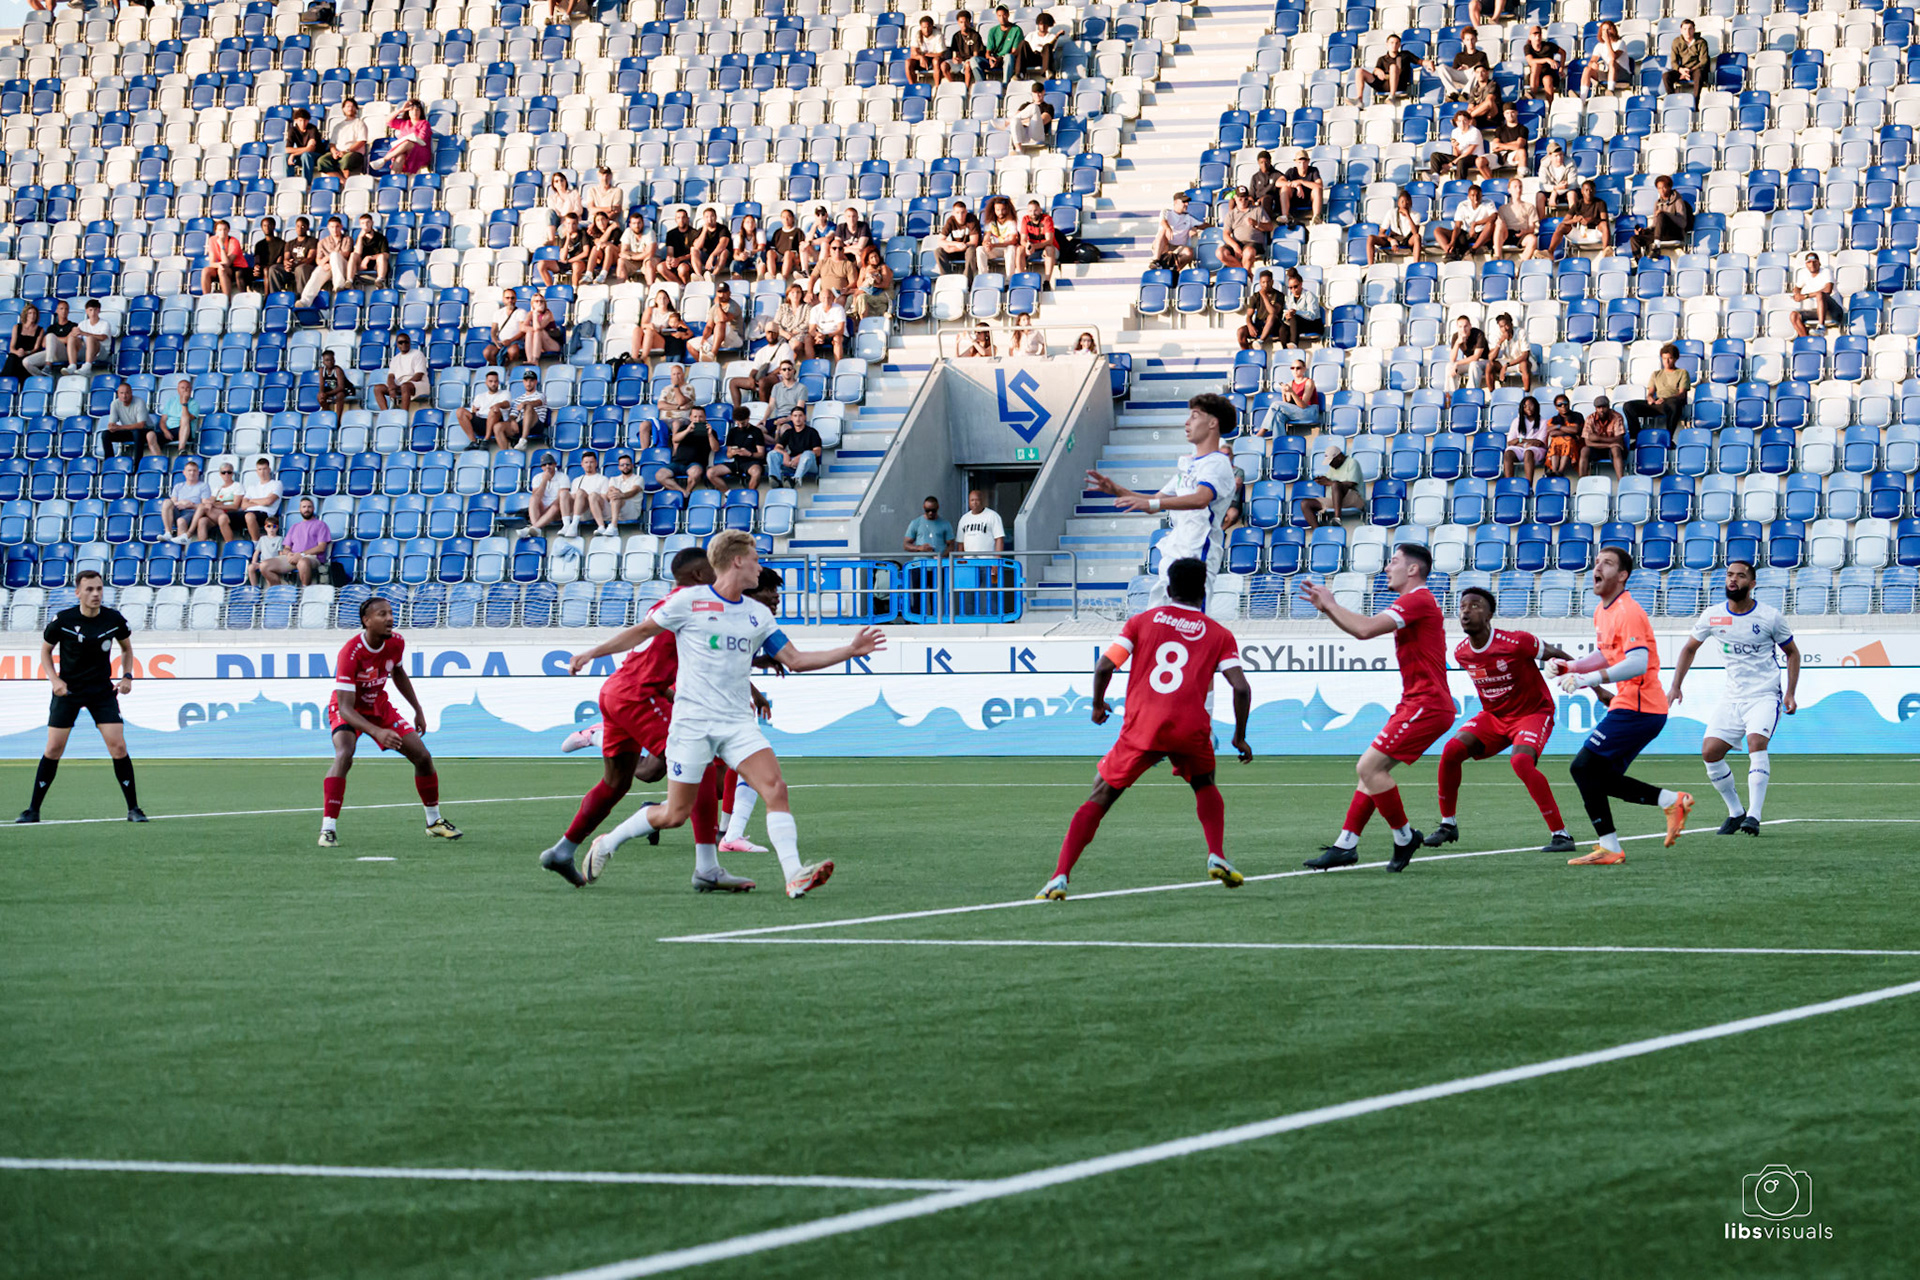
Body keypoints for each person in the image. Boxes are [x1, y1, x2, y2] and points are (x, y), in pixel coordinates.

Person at [550, 531, 882, 897]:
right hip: (692, 725)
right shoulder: (688, 601)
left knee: (775, 788)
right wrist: (588, 654)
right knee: (675, 814)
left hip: (737, 724)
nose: (760, 566)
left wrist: (850, 650)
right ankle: (609, 842)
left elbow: (796, 660)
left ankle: (794, 874)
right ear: (737, 560)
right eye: (756, 558)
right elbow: (639, 633)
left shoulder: (757, 615)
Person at [1037, 556, 1255, 900]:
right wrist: (1240, 736)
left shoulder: (1142, 621)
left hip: (1144, 725)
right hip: (1190, 727)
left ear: (1168, 590)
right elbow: (1241, 688)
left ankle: (1059, 876)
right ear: (1203, 593)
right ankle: (1217, 854)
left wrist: (1097, 704)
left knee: (1101, 794)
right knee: (1204, 783)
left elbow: (1104, 666)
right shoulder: (1220, 634)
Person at [1302, 544, 1453, 871]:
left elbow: (1365, 630)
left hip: (1426, 703)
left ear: (1413, 570)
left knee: (1368, 768)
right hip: (1417, 701)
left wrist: (1331, 604)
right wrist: (1329, 608)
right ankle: (1346, 844)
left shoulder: (1418, 599)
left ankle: (1404, 837)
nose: (1387, 567)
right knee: (1371, 775)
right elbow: (1364, 629)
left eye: (1394, 561)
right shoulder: (1415, 601)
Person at [1546, 546, 1692, 864]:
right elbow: (1607, 654)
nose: (1597, 567)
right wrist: (1571, 667)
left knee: (1582, 767)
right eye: (1596, 561)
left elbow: (1638, 662)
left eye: (1607, 563)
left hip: (1641, 707)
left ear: (1622, 576)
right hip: (1632, 706)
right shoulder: (1603, 611)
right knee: (1600, 778)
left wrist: (1588, 680)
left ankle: (1611, 847)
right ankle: (1671, 801)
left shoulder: (1629, 611)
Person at [1426, 587, 1577, 851]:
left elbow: (1557, 654)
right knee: (1451, 750)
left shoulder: (1517, 642)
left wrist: (1594, 687)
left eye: (1475, 605)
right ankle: (1448, 824)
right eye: (1463, 606)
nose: (1466, 611)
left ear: (1489, 614)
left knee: (1520, 761)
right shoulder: (1461, 653)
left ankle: (1561, 835)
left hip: (1533, 713)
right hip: (1495, 717)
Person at [1667, 560, 1802, 837]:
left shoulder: (1769, 617)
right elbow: (1689, 649)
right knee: (1710, 752)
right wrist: (1675, 686)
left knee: (1756, 743)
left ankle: (1754, 815)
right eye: (1729, 575)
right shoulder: (1713, 616)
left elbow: (1793, 654)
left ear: (1752, 584)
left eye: (1740, 576)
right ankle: (1736, 812)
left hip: (1764, 694)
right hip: (1732, 697)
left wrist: (1789, 693)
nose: (1733, 580)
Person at [319, 596, 461, 847]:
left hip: (379, 707)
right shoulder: (350, 653)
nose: (390, 619)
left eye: (391, 613)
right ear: (366, 621)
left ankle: (434, 822)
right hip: (348, 708)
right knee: (345, 753)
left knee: (423, 757)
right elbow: (345, 707)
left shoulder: (396, 642)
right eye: (382, 614)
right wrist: (377, 732)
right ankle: (328, 828)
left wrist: (417, 709)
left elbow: (398, 672)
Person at [1085, 394, 1238, 607]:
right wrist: (1117, 490)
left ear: (1213, 423)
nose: (1187, 422)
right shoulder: (1188, 465)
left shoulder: (1217, 462)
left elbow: (1201, 499)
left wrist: (1152, 504)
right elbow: (1155, 500)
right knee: (1159, 620)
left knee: (1188, 623)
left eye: (1195, 416)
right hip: (1176, 551)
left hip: (1197, 554)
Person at [17, 571, 144, 824]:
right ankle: (33, 810)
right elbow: (45, 652)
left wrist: (127, 676)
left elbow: (126, 648)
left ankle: (134, 809)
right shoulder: (63, 620)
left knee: (118, 746)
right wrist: (55, 680)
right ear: (78, 593)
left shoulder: (113, 619)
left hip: (101, 692)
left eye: (99, 589)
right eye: (89, 589)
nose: (95, 594)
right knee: (54, 748)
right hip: (69, 691)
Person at [1624, 343, 1691, 442]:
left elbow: (1682, 394)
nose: (1667, 361)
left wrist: (1665, 399)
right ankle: (1636, 438)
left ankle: (1669, 438)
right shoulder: (1656, 374)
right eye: (1664, 358)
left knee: (1674, 403)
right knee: (1628, 406)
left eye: (1670, 358)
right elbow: (1650, 392)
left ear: (1676, 359)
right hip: (1658, 403)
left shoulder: (1682, 372)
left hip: (1672, 403)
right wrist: (1650, 398)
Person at [259, 495, 331, 584]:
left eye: (309, 507)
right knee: (264, 565)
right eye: (304, 507)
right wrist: (289, 554)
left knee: (303, 562)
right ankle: (278, 591)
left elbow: (321, 547)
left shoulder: (321, 525)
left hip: (311, 557)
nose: (306, 509)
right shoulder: (294, 527)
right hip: (293, 557)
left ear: (313, 509)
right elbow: (286, 548)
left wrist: (301, 554)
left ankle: (305, 592)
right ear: (300, 509)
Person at [657, 405, 718, 496]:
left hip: (696, 464)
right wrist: (688, 430)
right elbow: (675, 439)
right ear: (690, 417)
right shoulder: (684, 428)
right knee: (660, 475)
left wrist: (709, 434)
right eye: (695, 417)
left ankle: (688, 492)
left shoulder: (712, 432)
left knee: (695, 473)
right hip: (678, 463)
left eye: (701, 416)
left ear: (705, 417)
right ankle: (684, 493)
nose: (698, 419)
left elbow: (715, 448)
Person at [1300, 438, 1363, 525]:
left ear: (1340, 457)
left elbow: (1351, 483)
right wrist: (1322, 479)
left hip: (1353, 499)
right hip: (1336, 501)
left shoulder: (1352, 462)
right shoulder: (1333, 467)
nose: (1330, 464)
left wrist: (1330, 483)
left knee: (1335, 485)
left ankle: (1337, 518)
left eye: (1332, 461)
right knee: (1305, 503)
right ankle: (1317, 532)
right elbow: (1328, 479)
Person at [296, 215, 353, 306]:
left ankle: (339, 285)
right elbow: (318, 260)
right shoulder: (322, 242)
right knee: (317, 272)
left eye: (337, 226)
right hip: (329, 268)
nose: (334, 229)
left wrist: (328, 258)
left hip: (343, 267)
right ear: (328, 228)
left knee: (335, 255)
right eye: (332, 227)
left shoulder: (347, 239)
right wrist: (324, 265)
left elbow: (346, 254)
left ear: (341, 227)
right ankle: (305, 301)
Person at [1632, 174, 1692, 257]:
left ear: (1670, 187)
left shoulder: (1678, 200)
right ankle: (1641, 265)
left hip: (1674, 234)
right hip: (1660, 235)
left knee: (1661, 214)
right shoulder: (1657, 203)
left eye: (1664, 187)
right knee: (1634, 239)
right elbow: (1655, 225)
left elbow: (1682, 223)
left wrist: (1665, 213)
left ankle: (1656, 246)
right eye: (1659, 188)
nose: (1662, 191)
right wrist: (1644, 231)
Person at [1435, 185, 1498, 260]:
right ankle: (1450, 252)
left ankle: (1472, 250)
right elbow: (1458, 226)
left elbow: (1494, 217)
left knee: (1491, 224)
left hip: (1482, 233)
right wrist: (1452, 241)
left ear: (1481, 195)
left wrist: (1475, 224)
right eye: (1472, 195)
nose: (1475, 198)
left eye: (1478, 195)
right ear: (1468, 196)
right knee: (1438, 230)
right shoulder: (1463, 205)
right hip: (1465, 234)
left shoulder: (1488, 202)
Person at [373, 330, 428, 413]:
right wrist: (392, 389)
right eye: (401, 342)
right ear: (397, 345)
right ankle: (385, 413)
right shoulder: (395, 358)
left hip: (418, 384)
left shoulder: (418, 354)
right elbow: (391, 376)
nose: (404, 344)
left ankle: (404, 414)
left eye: (406, 342)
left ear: (409, 343)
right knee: (378, 388)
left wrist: (401, 387)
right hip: (401, 385)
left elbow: (418, 376)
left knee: (405, 386)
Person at [1218, 188, 1273, 269]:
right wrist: (1235, 246)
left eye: (1245, 199)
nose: (1243, 201)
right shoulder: (1231, 214)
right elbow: (1225, 234)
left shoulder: (1258, 210)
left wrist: (1257, 224)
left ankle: (1244, 273)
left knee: (1248, 252)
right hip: (1237, 242)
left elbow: (1270, 227)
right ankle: (1245, 272)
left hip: (1254, 242)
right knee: (1220, 253)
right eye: (1240, 199)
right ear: (1235, 199)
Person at [232, 454, 285, 541]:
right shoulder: (252, 487)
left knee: (249, 516)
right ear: (257, 471)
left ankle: (256, 543)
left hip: (266, 513)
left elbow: (268, 501)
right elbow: (244, 505)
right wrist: (261, 501)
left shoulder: (277, 484)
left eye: (264, 469)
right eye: (260, 469)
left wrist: (252, 500)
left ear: (269, 470)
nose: (262, 472)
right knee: (224, 517)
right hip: (248, 512)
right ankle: (229, 543)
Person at [1429, 24, 1489, 99]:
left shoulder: (1482, 55)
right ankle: (1452, 92)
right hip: (1461, 76)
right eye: (1467, 40)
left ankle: (1466, 93)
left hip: (1474, 76)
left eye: (1472, 39)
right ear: (1463, 41)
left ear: (1476, 39)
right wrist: (1460, 69)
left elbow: (1485, 70)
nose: (1470, 42)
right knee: (1441, 67)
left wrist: (1468, 68)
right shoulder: (1459, 55)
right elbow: (1454, 70)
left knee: (1477, 69)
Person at [374, 97, 432, 174]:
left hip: (420, 151)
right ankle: (393, 180)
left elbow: (421, 139)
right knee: (400, 157)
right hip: (403, 151)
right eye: (411, 110)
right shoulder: (404, 123)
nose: (414, 112)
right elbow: (388, 121)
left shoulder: (424, 123)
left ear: (421, 112)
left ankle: (384, 159)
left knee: (408, 142)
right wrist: (400, 110)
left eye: (417, 110)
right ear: (408, 112)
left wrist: (408, 140)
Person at [767, 408, 823, 487]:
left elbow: (817, 452)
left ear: (805, 417)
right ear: (792, 418)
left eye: (800, 416)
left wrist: (799, 457)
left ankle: (795, 479)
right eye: (795, 416)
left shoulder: (812, 432)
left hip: (809, 465)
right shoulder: (789, 432)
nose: (798, 418)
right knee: (772, 454)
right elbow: (777, 447)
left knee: (808, 454)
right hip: (792, 462)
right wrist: (785, 455)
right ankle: (776, 479)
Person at [1791, 252, 1844, 335]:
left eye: (1814, 262)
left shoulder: (1826, 271)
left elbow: (1827, 290)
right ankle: (1806, 341)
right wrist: (1797, 294)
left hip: (1834, 312)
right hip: (1819, 311)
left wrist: (1805, 296)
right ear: (1806, 264)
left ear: (1819, 263)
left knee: (1820, 294)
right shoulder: (1804, 274)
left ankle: (1821, 327)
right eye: (1809, 262)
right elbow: (1797, 288)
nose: (1812, 264)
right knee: (1794, 315)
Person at [1366, 189, 1423, 265]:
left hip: (1407, 239)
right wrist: (1391, 240)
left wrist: (1408, 216)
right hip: (1394, 238)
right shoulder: (1391, 212)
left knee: (1417, 237)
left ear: (1410, 203)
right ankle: (1371, 266)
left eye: (1407, 202)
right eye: (1402, 201)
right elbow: (1381, 233)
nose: (1404, 204)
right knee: (1371, 238)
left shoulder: (1416, 215)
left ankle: (1416, 264)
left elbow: (1415, 232)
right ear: (1398, 203)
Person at [456, 369, 511, 448]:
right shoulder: (480, 396)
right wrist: (474, 410)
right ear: (486, 383)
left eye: (495, 381)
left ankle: (486, 440)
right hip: (481, 421)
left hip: (497, 422)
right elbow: (474, 410)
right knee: (460, 411)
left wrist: (498, 405)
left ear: (498, 382)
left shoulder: (505, 393)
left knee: (494, 410)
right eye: (491, 381)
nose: (493, 384)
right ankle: (473, 442)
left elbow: (507, 403)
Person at [192, 461, 245, 541]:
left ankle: (189, 533)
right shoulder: (218, 488)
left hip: (230, 513)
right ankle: (202, 546)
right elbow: (210, 501)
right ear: (220, 474)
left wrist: (216, 505)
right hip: (216, 513)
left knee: (203, 507)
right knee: (202, 521)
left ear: (232, 473)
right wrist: (211, 504)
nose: (226, 474)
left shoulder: (237, 486)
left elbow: (235, 506)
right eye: (224, 472)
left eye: (229, 472)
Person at [160, 459, 210, 541]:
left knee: (181, 521)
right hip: (178, 509)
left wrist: (191, 505)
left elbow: (205, 506)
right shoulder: (178, 486)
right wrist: (182, 503)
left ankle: (182, 550)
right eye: (189, 470)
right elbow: (173, 502)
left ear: (198, 472)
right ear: (184, 472)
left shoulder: (203, 486)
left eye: (194, 470)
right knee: (166, 502)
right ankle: (168, 532)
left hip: (192, 512)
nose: (192, 473)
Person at [719, 406, 767, 490]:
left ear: (748, 419)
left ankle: (748, 496)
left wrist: (749, 454)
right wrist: (733, 453)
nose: (740, 426)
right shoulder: (732, 432)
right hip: (736, 462)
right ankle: (728, 494)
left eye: (743, 423)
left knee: (756, 472)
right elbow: (728, 455)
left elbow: (761, 454)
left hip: (751, 462)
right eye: (738, 423)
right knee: (711, 472)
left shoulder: (756, 431)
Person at [1358, 33, 1418, 101]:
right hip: (1383, 85)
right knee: (1359, 71)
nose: (1394, 45)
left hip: (1399, 84)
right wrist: (1377, 70)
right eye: (1391, 43)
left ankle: (1392, 96)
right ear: (1387, 44)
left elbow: (1420, 62)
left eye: (1396, 43)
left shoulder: (1404, 55)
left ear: (1399, 45)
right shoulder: (1382, 59)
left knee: (1393, 67)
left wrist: (1428, 63)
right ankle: (1359, 99)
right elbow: (1376, 69)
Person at [527, 450, 574, 536]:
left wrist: (549, 509)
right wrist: (544, 480)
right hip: (541, 510)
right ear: (542, 467)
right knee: (533, 499)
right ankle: (536, 527)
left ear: (555, 464)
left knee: (555, 506)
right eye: (544, 465)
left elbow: (561, 499)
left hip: (557, 510)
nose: (547, 466)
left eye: (550, 464)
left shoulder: (563, 477)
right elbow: (536, 496)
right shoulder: (537, 478)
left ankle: (534, 527)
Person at [1492, 177, 1541, 259]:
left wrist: (1524, 231)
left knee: (1532, 239)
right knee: (1499, 223)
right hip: (1506, 234)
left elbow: (1531, 227)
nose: (1518, 189)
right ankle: (1497, 256)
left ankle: (1523, 265)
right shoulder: (1502, 208)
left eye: (1520, 187)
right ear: (1509, 190)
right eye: (1515, 187)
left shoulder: (1529, 206)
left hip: (1522, 235)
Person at [1431, 109, 1485, 180]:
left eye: (1464, 120)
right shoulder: (1455, 132)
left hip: (1474, 157)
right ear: (1456, 122)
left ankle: (1459, 182)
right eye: (1459, 121)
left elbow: (1469, 152)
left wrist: (1451, 164)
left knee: (1461, 161)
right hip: (1461, 157)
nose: (1462, 123)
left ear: (1469, 121)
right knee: (1435, 155)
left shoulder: (1475, 132)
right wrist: (1454, 147)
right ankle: (1435, 178)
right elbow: (1456, 154)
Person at [1663, 19, 1710, 101]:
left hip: (1696, 70)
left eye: (1690, 29)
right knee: (1666, 76)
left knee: (1699, 74)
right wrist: (1681, 70)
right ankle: (1673, 100)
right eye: (1685, 29)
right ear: (1681, 30)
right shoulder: (1676, 42)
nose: (1687, 31)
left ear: (1694, 30)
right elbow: (1673, 62)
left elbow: (1703, 61)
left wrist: (1690, 70)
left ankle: (1695, 101)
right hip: (1683, 70)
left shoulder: (1701, 42)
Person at [1152, 192, 1201, 268]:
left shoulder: (1189, 217)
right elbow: (1163, 221)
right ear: (1176, 202)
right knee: (1163, 231)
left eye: (1187, 202)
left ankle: (1175, 270)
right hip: (1164, 245)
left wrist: (1195, 227)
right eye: (1184, 202)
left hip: (1178, 248)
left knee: (1189, 252)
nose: (1187, 204)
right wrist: (1168, 228)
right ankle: (1155, 261)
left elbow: (1204, 225)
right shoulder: (1167, 212)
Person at [204, 218, 249, 300]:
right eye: (220, 230)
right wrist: (219, 265)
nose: (223, 232)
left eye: (225, 229)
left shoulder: (234, 241)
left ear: (228, 230)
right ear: (216, 231)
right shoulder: (212, 240)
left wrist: (221, 245)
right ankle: (206, 299)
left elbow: (227, 262)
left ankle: (227, 300)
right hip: (223, 266)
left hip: (237, 268)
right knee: (206, 271)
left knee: (222, 270)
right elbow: (212, 262)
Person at [573, 451, 617, 535]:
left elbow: (604, 498)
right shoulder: (576, 480)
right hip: (583, 511)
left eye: (591, 462)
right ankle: (573, 524)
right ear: (582, 464)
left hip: (599, 509)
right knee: (579, 493)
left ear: (596, 463)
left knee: (592, 495)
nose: (589, 465)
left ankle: (601, 527)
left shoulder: (603, 479)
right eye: (586, 462)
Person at [1505, 395, 1548, 481]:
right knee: (1508, 453)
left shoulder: (1543, 422)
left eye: (1530, 405)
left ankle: (1529, 487)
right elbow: (1510, 442)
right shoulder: (1517, 421)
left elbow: (1539, 443)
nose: (1528, 408)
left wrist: (1520, 440)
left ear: (1536, 406)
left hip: (1537, 451)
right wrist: (1526, 443)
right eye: (1525, 406)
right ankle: (1508, 484)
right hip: (1520, 449)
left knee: (1528, 452)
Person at [102, 381, 151, 459]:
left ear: (131, 393)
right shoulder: (115, 403)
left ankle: (137, 463)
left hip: (145, 431)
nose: (124, 396)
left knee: (137, 432)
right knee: (105, 434)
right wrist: (111, 426)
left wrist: (119, 427)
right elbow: (112, 422)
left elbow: (141, 425)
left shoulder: (139, 402)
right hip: (128, 431)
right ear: (118, 394)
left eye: (127, 393)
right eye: (121, 393)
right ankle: (109, 461)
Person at [1237, 269, 1284, 349]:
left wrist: (1264, 296)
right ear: (1260, 283)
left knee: (1271, 316)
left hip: (1274, 326)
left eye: (1268, 282)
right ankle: (1246, 353)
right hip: (1260, 324)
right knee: (1241, 331)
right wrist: (1250, 325)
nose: (1265, 285)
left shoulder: (1279, 295)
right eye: (1263, 282)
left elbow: (1273, 312)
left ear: (1272, 282)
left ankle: (1260, 341)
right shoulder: (1255, 296)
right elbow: (1249, 315)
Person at [1581, 395, 1628, 475]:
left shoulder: (1617, 417)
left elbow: (1619, 439)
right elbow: (1588, 443)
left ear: (1609, 406)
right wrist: (1609, 444)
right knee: (1584, 450)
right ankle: (1581, 481)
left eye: (1604, 407)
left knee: (1615, 449)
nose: (1601, 410)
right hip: (1598, 448)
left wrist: (1597, 438)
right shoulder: (1590, 418)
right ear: (1595, 408)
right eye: (1599, 408)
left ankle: (1621, 481)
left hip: (1615, 449)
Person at [1019, 200, 1060, 289]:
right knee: (1019, 249)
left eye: (1035, 210)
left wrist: (1034, 246)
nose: (1033, 213)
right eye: (1030, 211)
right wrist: (1027, 246)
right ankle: (1021, 278)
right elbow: (1022, 240)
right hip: (1034, 249)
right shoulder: (1025, 219)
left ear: (1040, 210)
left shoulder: (1047, 219)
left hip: (1050, 249)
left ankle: (1047, 281)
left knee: (1049, 249)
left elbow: (1049, 241)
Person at [1581, 20, 1628, 97]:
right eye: (1603, 30)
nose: (1606, 32)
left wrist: (1607, 42)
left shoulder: (1620, 43)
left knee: (1612, 62)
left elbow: (1613, 57)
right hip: (1607, 73)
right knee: (1587, 69)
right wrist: (1593, 64)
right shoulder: (1599, 45)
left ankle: (1610, 91)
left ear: (1613, 30)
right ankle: (1582, 97)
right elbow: (1592, 60)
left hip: (1622, 73)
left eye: (1608, 29)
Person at [1486, 311, 1531, 390]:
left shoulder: (1521, 332)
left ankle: (1527, 394)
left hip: (1521, 362)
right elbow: (1491, 358)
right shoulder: (1498, 335)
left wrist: (1507, 365)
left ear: (1511, 324)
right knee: (1489, 365)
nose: (1504, 329)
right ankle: (1492, 395)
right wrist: (1500, 342)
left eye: (1506, 325)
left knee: (1524, 364)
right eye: (1501, 326)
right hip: (1507, 361)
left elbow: (1525, 355)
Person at [1277, 149, 1324, 225]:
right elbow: (1278, 182)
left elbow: (1319, 186)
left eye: (1304, 162)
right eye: (1299, 162)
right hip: (1294, 199)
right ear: (1295, 162)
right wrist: (1295, 184)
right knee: (1284, 188)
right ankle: (1285, 216)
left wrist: (1301, 182)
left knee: (1317, 190)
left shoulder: (1313, 171)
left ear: (1308, 162)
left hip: (1309, 199)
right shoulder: (1291, 171)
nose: (1302, 165)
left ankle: (1316, 217)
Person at [1278, 267, 1324, 345]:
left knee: (1294, 318)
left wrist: (1296, 312)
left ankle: (1294, 344)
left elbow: (1312, 315)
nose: (1293, 290)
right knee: (1283, 328)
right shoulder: (1289, 299)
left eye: (1295, 286)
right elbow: (1285, 312)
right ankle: (1286, 351)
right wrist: (1286, 316)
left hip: (1313, 324)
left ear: (1301, 284)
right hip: (1297, 324)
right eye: (1290, 288)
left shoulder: (1309, 295)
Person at [325, 96, 370, 174]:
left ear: (356, 109)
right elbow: (332, 143)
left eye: (353, 106)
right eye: (348, 106)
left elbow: (361, 141)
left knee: (346, 160)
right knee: (323, 160)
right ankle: (342, 181)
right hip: (338, 152)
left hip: (353, 153)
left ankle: (346, 183)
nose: (350, 108)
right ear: (343, 109)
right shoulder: (338, 126)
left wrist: (347, 151)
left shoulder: (360, 123)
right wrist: (334, 152)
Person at [151, 377, 195, 455]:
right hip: (169, 431)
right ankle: (158, 458)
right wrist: (166, 431)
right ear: (178, 390)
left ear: (191, 390)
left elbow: (188, 419)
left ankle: (181, 449)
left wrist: (184, 403)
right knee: (150, 435)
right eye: (182, 388)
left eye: (187, 388)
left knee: (184, 419)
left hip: (184, 432)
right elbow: (163, 420)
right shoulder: (171, 401)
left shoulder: (194, 403)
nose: (185, 390)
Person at [690, 206, 734, 283]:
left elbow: (723, 244)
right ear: (703, 219)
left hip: (719, 257)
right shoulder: (701, 230)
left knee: (724, 251)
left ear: (716, 217)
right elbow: (697, 246)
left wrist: (712, 255)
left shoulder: (723, 228)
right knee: (693, 250)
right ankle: (699, 276)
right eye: (707, 217)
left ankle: (713, 276)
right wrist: (704, 231)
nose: (709, 219)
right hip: (706, 257)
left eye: (712, 216)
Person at [1522, 25, 1566, 103]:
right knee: (1535, 66)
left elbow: (1563, 53)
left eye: (1539, 34)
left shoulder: (1548, 46)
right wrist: (1547, 59)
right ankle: (1532, 94)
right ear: (1530, 37)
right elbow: (1530, 61)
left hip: (1549, 73)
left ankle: (1551, 106)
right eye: (1534, 34)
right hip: (1535, 75)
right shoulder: (1527, 47)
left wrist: (1561, 68)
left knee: (1547, 79)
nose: (1537, 37)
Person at [946, 9, 988, 87]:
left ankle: (966, 87)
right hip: (960, 61)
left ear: (969, 22)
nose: (964, 24)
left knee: (968, 64)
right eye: (961, 22)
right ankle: (952, 85)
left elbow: (975, 56)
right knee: (943, 65)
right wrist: (955, 59)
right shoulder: (956, 36)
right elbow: (955, 53)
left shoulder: (975, 35)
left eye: (966, 22)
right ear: (958, 23)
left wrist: (964, 60)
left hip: (969, 61)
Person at [956, 488, 1006, 554]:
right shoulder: (964, 519)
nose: (974, 503)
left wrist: (997, 560)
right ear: (968, 502)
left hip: (988, 560)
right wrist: (960, 560)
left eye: (977, 500)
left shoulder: (993, 516)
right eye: (972, 500)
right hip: (969, 560)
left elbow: (999, 539)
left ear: (982, 501)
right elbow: (960, 543)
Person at [511, 369, 550, 453]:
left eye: (531, 381)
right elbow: (513, 414)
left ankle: (523, 440)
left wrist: (525, 403)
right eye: (526, 381)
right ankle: (506, 453)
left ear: (535, 382)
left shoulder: (541, 395)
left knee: (529, 406)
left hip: (537, 424)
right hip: (522, 424)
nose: (528, 383)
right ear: (523, 382)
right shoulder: (519, 399)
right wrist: (512, 421)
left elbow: (537, 402)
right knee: (499, 426)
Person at [801, 290, 847, 362]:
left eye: (829, 297)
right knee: (807, 338)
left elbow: (840, 330)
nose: (826, 300)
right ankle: (810, 366)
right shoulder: (815, 309)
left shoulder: (839, 309)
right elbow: (811, 330)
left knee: (837, 339)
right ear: (820, 298)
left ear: (833, 298)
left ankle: (838, 366)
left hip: (835, 334)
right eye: (824, 297)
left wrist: (826, 336)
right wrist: (817, 335)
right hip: (821, 335)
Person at [1276, 357, 1320, 431]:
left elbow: (1303, 406)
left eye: (1298, 368)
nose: (1295, 370)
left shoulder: (1309, 382)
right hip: (1296, 412)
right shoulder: (1290, 383)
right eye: (1292, 368)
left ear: (1304, 369)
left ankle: (1262, 431)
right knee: (1278, 416)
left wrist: (1292, 392)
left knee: (1275, 404)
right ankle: (1279, 440)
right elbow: (1287, 405)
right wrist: (1283, 393)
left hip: (1309, 412)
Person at [277, 216, 318, 295]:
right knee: (274, 269)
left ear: (307, 228)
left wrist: (296, 264)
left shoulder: (313, 241)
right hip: (292, 266)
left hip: (305, 267)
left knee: (300, 268)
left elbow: (310, 258)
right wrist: (287, 264)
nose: (300, 228)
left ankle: (302, 297)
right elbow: (286, 258)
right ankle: (275, 297)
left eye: (303, 226)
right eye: (298, 226)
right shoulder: (290, 243)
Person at [1446, 314, 1489, 389]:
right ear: (1457, 327)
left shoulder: (1479, 334)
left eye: (1465, 326)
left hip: (1484, 362)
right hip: (1469, 362)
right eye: (1460, 327)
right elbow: (1452, 359)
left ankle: (1470, 393)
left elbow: (1476, 357)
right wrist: (1457, 343)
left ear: (1470, 326)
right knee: (1449, 366)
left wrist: (1457, 363)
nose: (1463, 329)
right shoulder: (1456, 336)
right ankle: (1451, 395)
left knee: (1474, 365)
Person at [982, 5, 1024, 81]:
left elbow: (1014, 52)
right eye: (999, 16)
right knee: (974, 60)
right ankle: (980, 84)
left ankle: (1006, 83)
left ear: (1008, 15)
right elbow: (988, 51)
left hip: (1007, 59)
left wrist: (1001, 58)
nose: (1002, 18)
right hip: (995, 58)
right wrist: (990, 58)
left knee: (1009, 57)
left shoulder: (1016, 30)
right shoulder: (993, 31)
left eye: (1004, 15)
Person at [1487, 104, 1530, 176]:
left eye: (1512, 112)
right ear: (1504, 114)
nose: (1510, 115)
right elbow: (1494, 147)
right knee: (1480, 161)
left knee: (1521, 151)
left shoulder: (1523, 129)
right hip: (1500, 155)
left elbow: (1519, 145)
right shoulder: (1499, 129)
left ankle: (1522, 177)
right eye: (1507, 113)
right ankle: (1490, 182)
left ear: (1516, 113)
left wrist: (1501, 145)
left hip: (1514, 155)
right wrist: (1513, 145)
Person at [3, 303, 43, 379]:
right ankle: (5, 383)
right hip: (17, 354)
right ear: (26, 315)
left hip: (30, 354)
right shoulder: (17, 327)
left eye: (34, 313)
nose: (32, 315)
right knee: (12, 358)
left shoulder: (40, 330)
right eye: (30, 313)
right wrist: (17, 352)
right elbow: (11, 347)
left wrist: (26, 352)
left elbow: (36, 348)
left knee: (23, 362)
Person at [1546, 394, 1583, 476]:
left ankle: (1560, 471)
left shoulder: (1577, 416)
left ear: (1569, 404)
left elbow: (1576, 430)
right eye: (1560, 405)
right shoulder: (1554, 419)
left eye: (1565, 403)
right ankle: (1554, 470)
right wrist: (1568, 431)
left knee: (1568, 439)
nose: (1563, 406)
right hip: (1559, 446)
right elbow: (1551, 433)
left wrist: (1559, 427)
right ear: (1556, 407)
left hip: (1576, 445)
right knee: (1556, 440)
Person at [1011, 79, 1054, 149]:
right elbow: (1016, 117)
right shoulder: (1025, 105)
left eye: (1039, 92)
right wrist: (1027, 121)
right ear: (1032, 93)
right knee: (1014, 121)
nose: (1037, 95)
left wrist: (1024, 121)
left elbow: (1041, 121)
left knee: (1034, 107)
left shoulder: (1048, 107)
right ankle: (1018, 149)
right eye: (1035, 92)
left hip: (1037, 134)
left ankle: (1007, 122)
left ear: (1043, 92)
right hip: (1024, 134)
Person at [615, 212, 656, 285]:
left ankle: (650, 290)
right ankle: (620, 289)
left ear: (643, 223)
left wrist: (630, 256)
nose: (637, 226)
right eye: (634, 223)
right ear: (630, 225)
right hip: (634, 261)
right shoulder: (628, 231)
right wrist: (642, 254)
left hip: (648, 260)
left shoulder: (650, 232)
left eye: (639, 223)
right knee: (621, 261)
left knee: (648, 262)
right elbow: (623, 252)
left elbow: (650, 254)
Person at [245, 514, 286, 586]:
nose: (271, 529)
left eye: (274, 527)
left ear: (277, 528)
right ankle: (254, 587)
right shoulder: (262, 539)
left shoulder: (279, 539)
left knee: (268, 575)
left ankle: (271, 588)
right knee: (250, 567)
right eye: (269, 526)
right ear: (265, 527)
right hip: (262, 562)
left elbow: (280, 552)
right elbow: (257, 552)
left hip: (273, 563)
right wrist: (254, 562)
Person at [247, 219, 285, 296]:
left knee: (268, 270)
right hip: (262, 269)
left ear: (274, 226)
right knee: (244, 272)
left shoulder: (281, 243)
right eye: (264, 225)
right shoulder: (259, 244)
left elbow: (278, 262)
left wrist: (264, 268)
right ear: (261, 227)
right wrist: (256, 267)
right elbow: (257, 260)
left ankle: (268, 296)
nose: (267, 227)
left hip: (273, 270)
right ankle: (246, 296)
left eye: (269, 225)